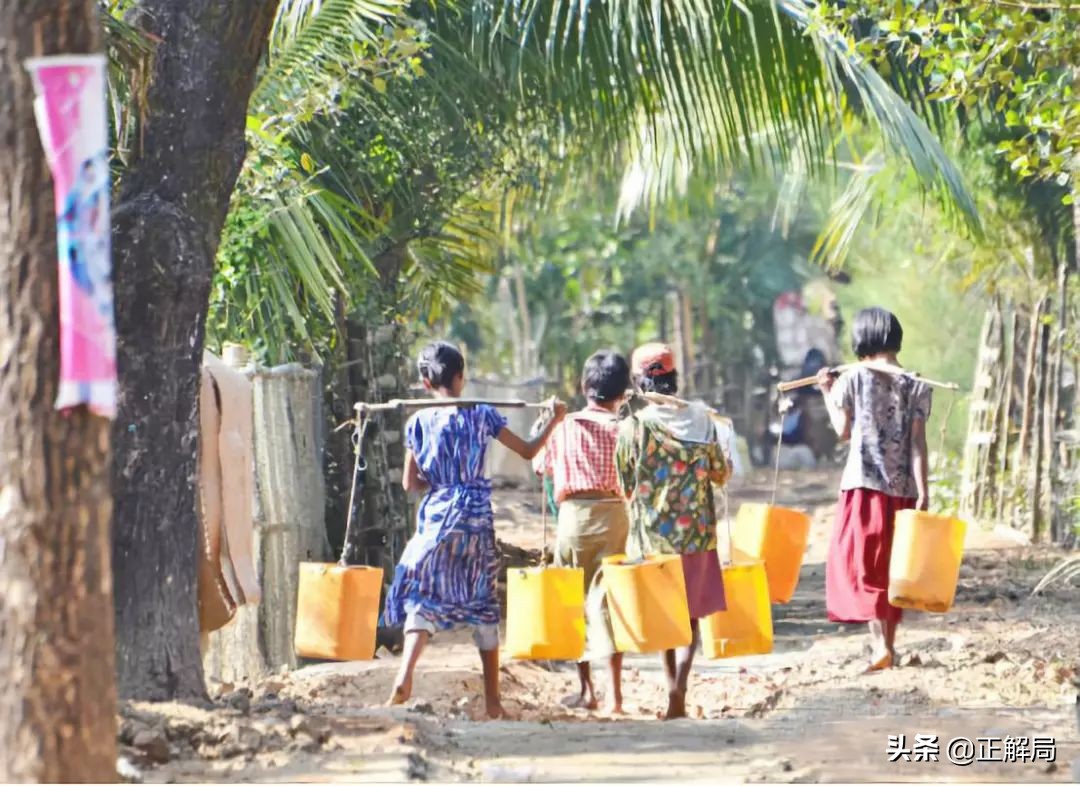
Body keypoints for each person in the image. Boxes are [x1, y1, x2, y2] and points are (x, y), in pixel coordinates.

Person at [384, 341, 567, 718]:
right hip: (475, 518)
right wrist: (554, 419)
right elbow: (529, 451)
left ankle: (404, 676)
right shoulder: (482, 414)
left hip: (437, 517)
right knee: (483, 604)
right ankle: (493, 703)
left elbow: (409, 483)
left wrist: (440, 481)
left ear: (425, 383)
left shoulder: (418, 422)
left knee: (423, 597)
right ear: (461, 377)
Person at [615, 343, 731, 719]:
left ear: (639, 381)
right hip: (696, 533)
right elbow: (720, 474)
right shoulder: (702, 420)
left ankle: (671, 689)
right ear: (674, 377)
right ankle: (681, 684)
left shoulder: (634, 426)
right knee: (691, 617)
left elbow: (625, 484)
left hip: (654, 538)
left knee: (665, 616)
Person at [816, 307, 931, 672]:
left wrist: (826, 390)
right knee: (893, 568)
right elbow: (918, 444)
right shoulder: (916, 383)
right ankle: (888, 647)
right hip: (903, 489)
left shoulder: (853, 378)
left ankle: (880, 645)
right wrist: (924, 491)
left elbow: (842, 430)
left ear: (862, 339)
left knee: (863, 567)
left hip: (863, 488)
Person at [535, 350, 632, 714]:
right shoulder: (625, 429)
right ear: (623, 392)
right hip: (615, 516)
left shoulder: (564, 426)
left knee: (574, 601)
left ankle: (587, 690)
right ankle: (616, 696)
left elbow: (540, 466)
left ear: (583, 386)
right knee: (611, 602)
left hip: (573, 518)